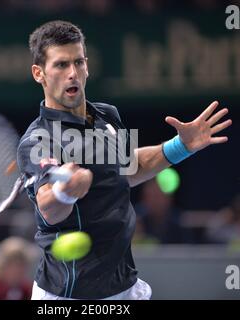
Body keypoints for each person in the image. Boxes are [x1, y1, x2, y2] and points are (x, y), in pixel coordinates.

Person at [17, 20, 232, 300]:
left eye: (78, 62)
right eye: (60, 65)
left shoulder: (108, 115)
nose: (73, 73)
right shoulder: (37, 139)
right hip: (70, 293)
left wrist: (182, 146)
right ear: (39, 73)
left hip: (125, 285)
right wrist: (65, 192)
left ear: (87, 65)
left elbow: (130, 168)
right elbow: (48, 207)